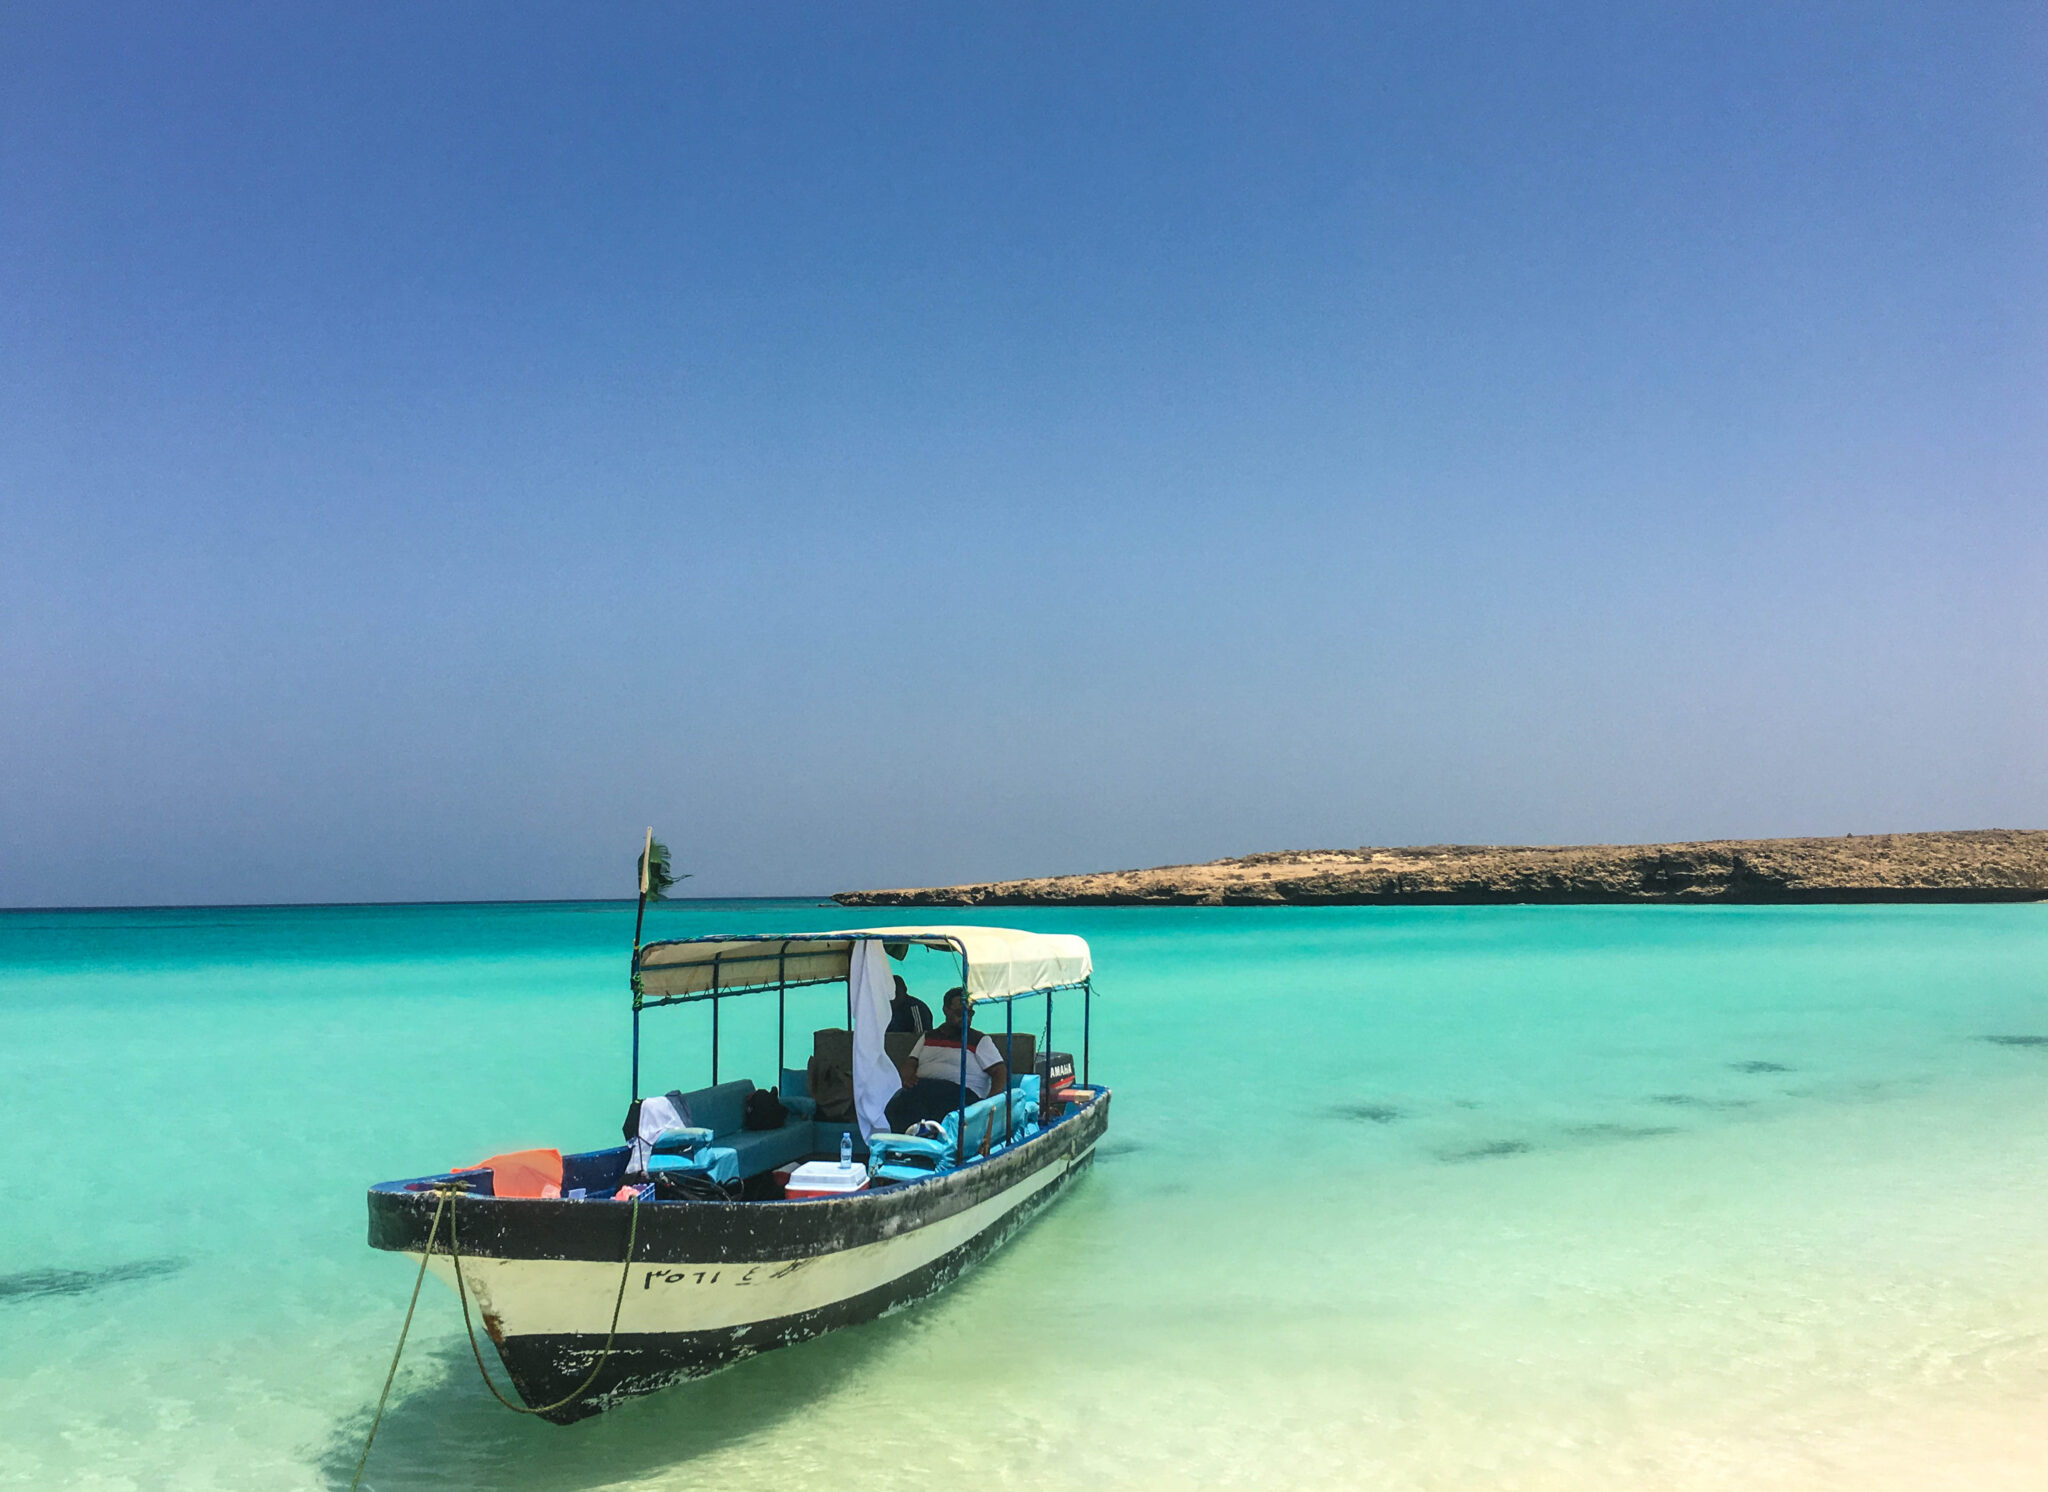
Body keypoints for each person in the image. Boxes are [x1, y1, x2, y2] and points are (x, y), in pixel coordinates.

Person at [884, 987, 1008, 1132]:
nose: (966, 1018)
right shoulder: (928, 1036)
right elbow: (911, 1062)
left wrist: (991, 1101)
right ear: (946, 1010)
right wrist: (906, 1077)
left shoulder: (979, 1040)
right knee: (897, 1105)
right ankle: (906, 1147)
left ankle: (926, 1142)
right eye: (959, 1013)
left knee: (933, 1109)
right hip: (924, 1090)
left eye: (970, 1013)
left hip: (959, 1093)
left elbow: (999, 1071)